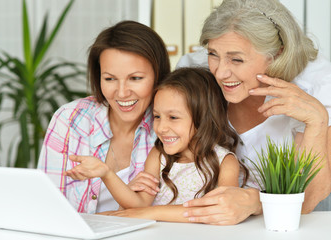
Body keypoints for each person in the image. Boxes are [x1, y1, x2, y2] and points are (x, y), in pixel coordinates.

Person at [172, 0, 331, 224]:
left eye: (237, 59)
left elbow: (308, 200)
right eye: (213, 53)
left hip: (293, 223)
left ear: (277, 54)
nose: (221, 72)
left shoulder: (316, 83)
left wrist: (317, 120)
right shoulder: (195, 71)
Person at [65, 67, 248, 222]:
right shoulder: (158, 156)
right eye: (157, 116)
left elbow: (216, 210)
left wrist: (149, 213)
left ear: (204, 119)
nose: (161, 127)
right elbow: (138, 204)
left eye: (173, 117)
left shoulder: (225, 162)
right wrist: (106, 173)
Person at [37, 20, 170, 214]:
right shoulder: (70, 120)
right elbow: (47, 205)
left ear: (158, 76)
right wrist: (124, 208)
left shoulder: (170, 129)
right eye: (110, 79)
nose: (122, 93)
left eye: (135, 78)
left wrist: (127, 204)